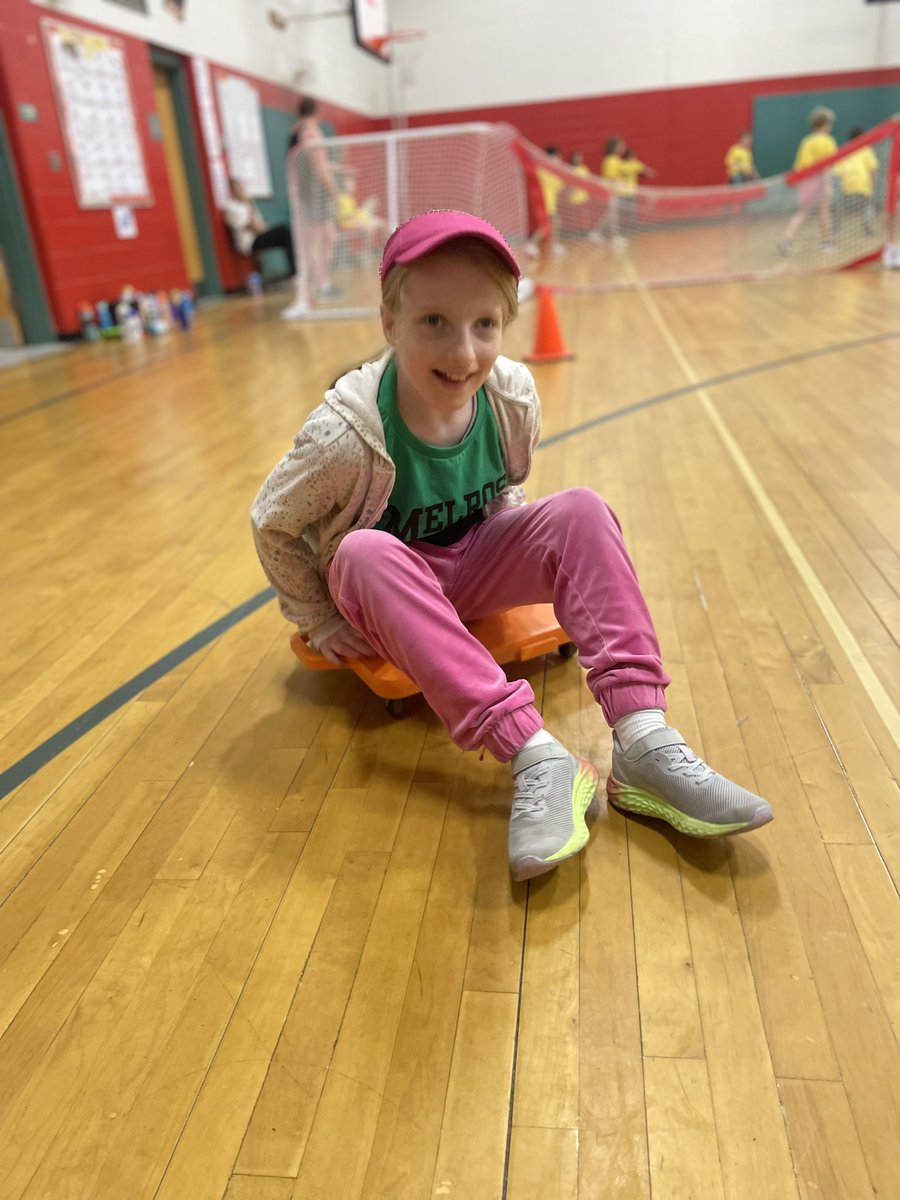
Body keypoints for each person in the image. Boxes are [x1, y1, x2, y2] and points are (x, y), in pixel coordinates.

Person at [251, 210, 774, 882]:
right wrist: (318, 617)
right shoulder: (344, 434)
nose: (462, 352)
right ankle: (538, 757)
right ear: (389, 323)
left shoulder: (513, 396)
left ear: (504, 325)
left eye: (484, 325)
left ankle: (644, 742)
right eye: (434, 322)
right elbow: (271, 520)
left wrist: (519, 546)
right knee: (360, 552)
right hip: (391, 589)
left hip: (472, 564)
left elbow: (504, 491)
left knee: (582, 508)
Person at [285, 96, 340, 313]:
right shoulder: (311, 133)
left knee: (314, 242)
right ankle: (320, 286)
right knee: (321, 241)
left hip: (304, 197)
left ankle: (314, 287)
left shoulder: (295, 133)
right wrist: (334, 192)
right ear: (317, 111)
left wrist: (337, 170)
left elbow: (320, 164)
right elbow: (319, 169)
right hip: (315, 197)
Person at [778, 106, 838, 256]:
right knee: (825, 211)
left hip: (806, 181)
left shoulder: (806, 141)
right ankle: (827, 244)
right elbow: (825, 165)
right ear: (825, 123)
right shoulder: (828, 141)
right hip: (820, 179)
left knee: (802, 212)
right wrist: (827, 185)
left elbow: (799, 165)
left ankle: (786, 237)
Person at [223, 177, 296, 278]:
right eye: (237, 189)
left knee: (287, 236)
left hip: (259, 235)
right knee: (282, 230)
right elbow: (253, 226)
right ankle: (294, 272)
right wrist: (248, 204)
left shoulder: (248, 205)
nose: (240, 190)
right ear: (232, 192)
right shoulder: (232, 208)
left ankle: (295, 270)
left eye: (241, 187)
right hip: (249, 243)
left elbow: (260, 225)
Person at [833, 126, 878, 238]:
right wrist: (873, 183)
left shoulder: (844, 149)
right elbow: (873, 168)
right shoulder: (866, 149)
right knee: (867, 205)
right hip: (864, 184)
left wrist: (843, 179)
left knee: (840, 207)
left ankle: (836, 228)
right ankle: (868, 227)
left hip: (848, 184)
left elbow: (837, 171)